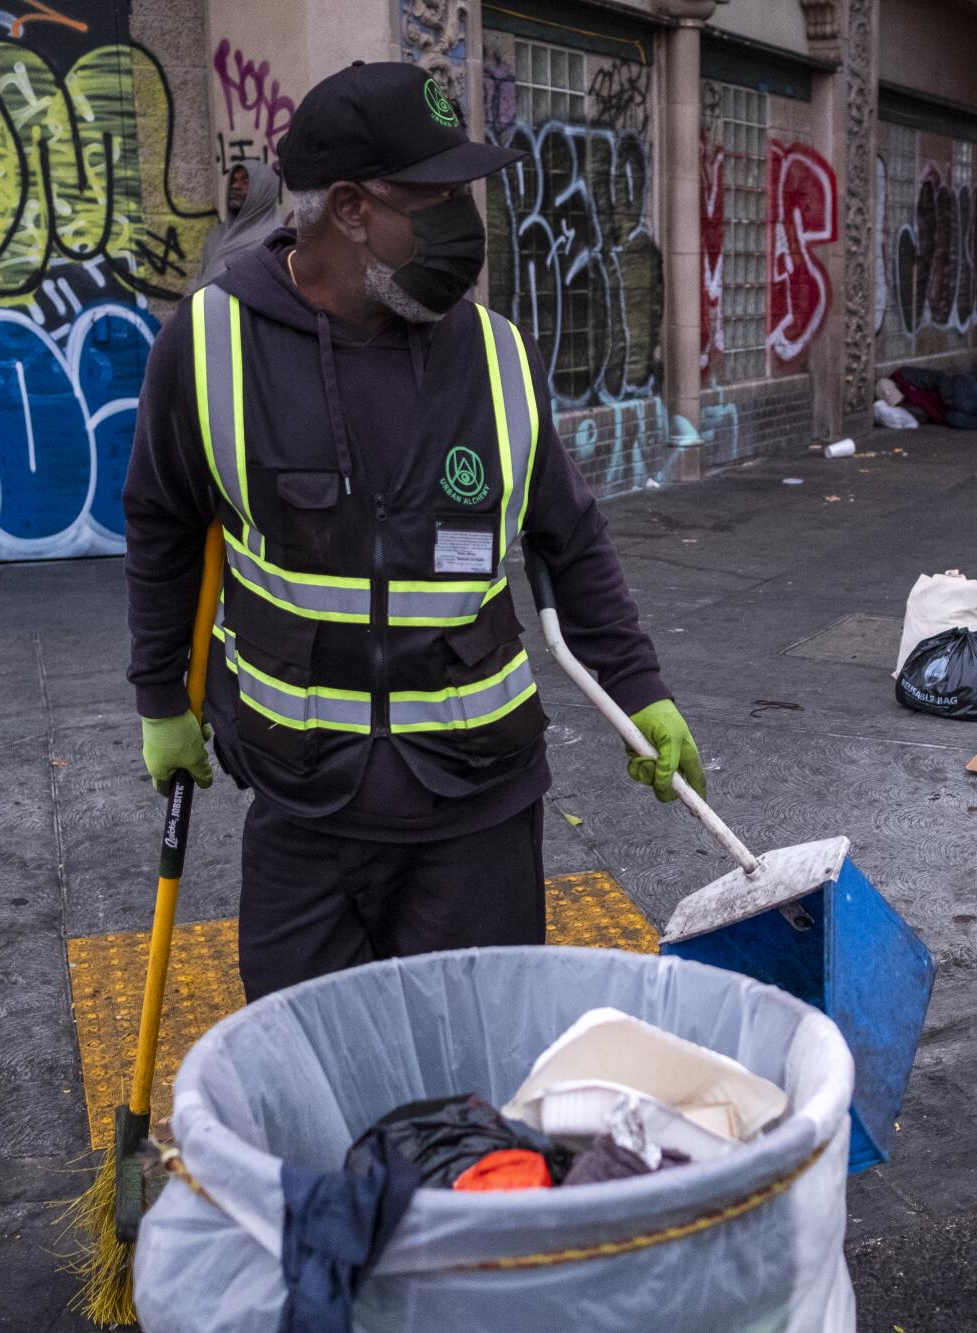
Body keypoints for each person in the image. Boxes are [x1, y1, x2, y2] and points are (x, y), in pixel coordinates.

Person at [124, 62, 704, 1001]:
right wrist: (161, 698)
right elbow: (161, 523)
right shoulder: (209, 342)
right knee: (309, 1078)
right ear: (348, 208)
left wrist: (638, 688)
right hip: (303, 797)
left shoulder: (498, 354)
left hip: (478, 805)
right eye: (433, 198)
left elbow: (570, 536)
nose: (460, 226)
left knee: (473, 1080)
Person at [193, 161, 282, 287]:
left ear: (263, 190)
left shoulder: (275, 241)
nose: (235, 186)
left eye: (245, 181)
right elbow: (201, 280)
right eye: (233, 180)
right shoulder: (217, 236)